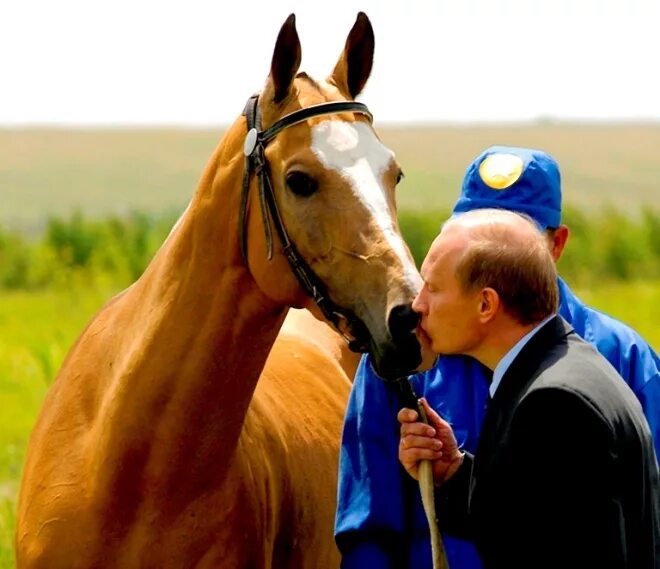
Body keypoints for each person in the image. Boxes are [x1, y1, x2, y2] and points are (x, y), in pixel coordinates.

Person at [335, 145, 660, 569]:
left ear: (553, 245)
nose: (418, 305)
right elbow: (369, 524)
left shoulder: (616, 360)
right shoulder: (402, 356)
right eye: (471, 229)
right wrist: (452, 472)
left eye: (505, 236)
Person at [397, 208, 659, 567]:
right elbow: (531, 518)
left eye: (434, 288)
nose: (418, 304)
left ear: (486, 304)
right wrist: (455, 473)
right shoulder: (564, 370)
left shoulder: (554, 405)